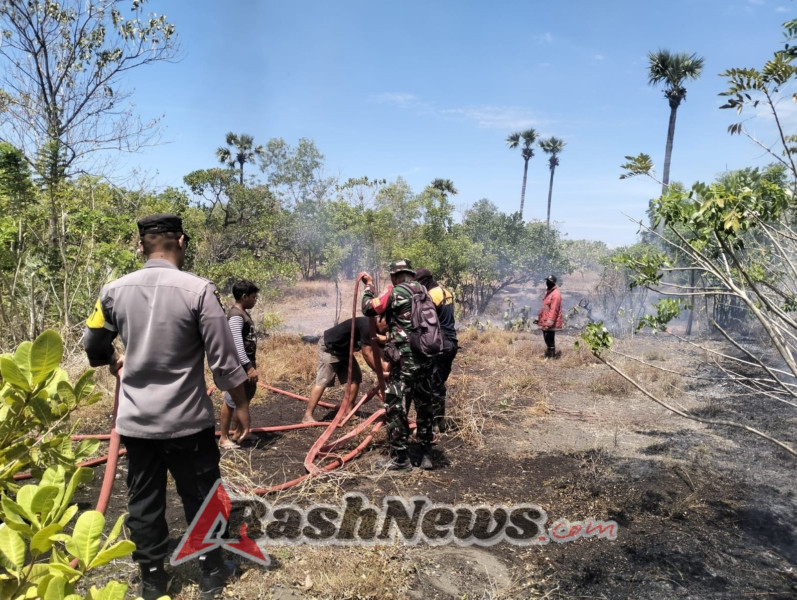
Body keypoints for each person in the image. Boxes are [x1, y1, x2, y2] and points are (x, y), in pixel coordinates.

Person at [83, 214, 250, 600]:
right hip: (187, 421)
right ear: (183, 242)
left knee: (143, 499)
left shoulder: (112, 291)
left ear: (140, 246)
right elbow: (223, 361)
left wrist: (113, 357)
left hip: (137, 423)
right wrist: (239, 404)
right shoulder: (199, 290)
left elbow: (93, 347)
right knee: (204, 494)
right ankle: (211, 572)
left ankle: (153, 578)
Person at [361, 258, 435, 471]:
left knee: (395, 406)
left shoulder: (396, 292)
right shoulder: (423, 291)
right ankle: (425, 454)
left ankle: (401, 458)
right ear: (411, 274)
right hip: (427, 358)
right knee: (424, 405)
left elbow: (368, 308)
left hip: (405, 360)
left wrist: (369, 286)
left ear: (394, 276)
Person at [302, 316, 388, 423]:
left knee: (355, 378)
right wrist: (381, 373)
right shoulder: (367, 326)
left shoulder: (379, 330)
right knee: (324, 381)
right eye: (387, 325)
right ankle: (307, 416)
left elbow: (379, 351)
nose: (387, 329)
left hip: (344, 350)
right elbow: (367, 353)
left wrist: (387, 368)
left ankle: (348, 412)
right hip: (330, 347)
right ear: (380, 320)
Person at [413, 268, 458, 432]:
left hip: (440, 344)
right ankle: (438, 421)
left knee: (434, 385)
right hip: (452, 342)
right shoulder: (446, 292)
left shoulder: (430, 297)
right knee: (439, 383)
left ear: (423, 282)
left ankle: (437, 425)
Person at [219, 279, 260, 450]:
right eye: (253, 296)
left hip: (245, 364)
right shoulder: (236, 315)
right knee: (231, 401)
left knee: (242, 399)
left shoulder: (242, 313)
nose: (255, 300)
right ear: (244, 296)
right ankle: (223, 437)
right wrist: (248, 367)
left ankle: (237, 433)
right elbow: (236, 344)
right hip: (239, 366)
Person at [537, 275, 563, 358]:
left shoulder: (555, 294)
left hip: (550, 322)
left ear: (554, 283)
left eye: (550, 281)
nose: (548, 283)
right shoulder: (549, 293)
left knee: (550, 339)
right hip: (546, 320)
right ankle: (549, 355)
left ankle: (551, 356)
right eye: (547, 281)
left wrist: (548, 324)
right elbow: (545, 308)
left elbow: (553, 310)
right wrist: (540, 320)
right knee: (547, 338)